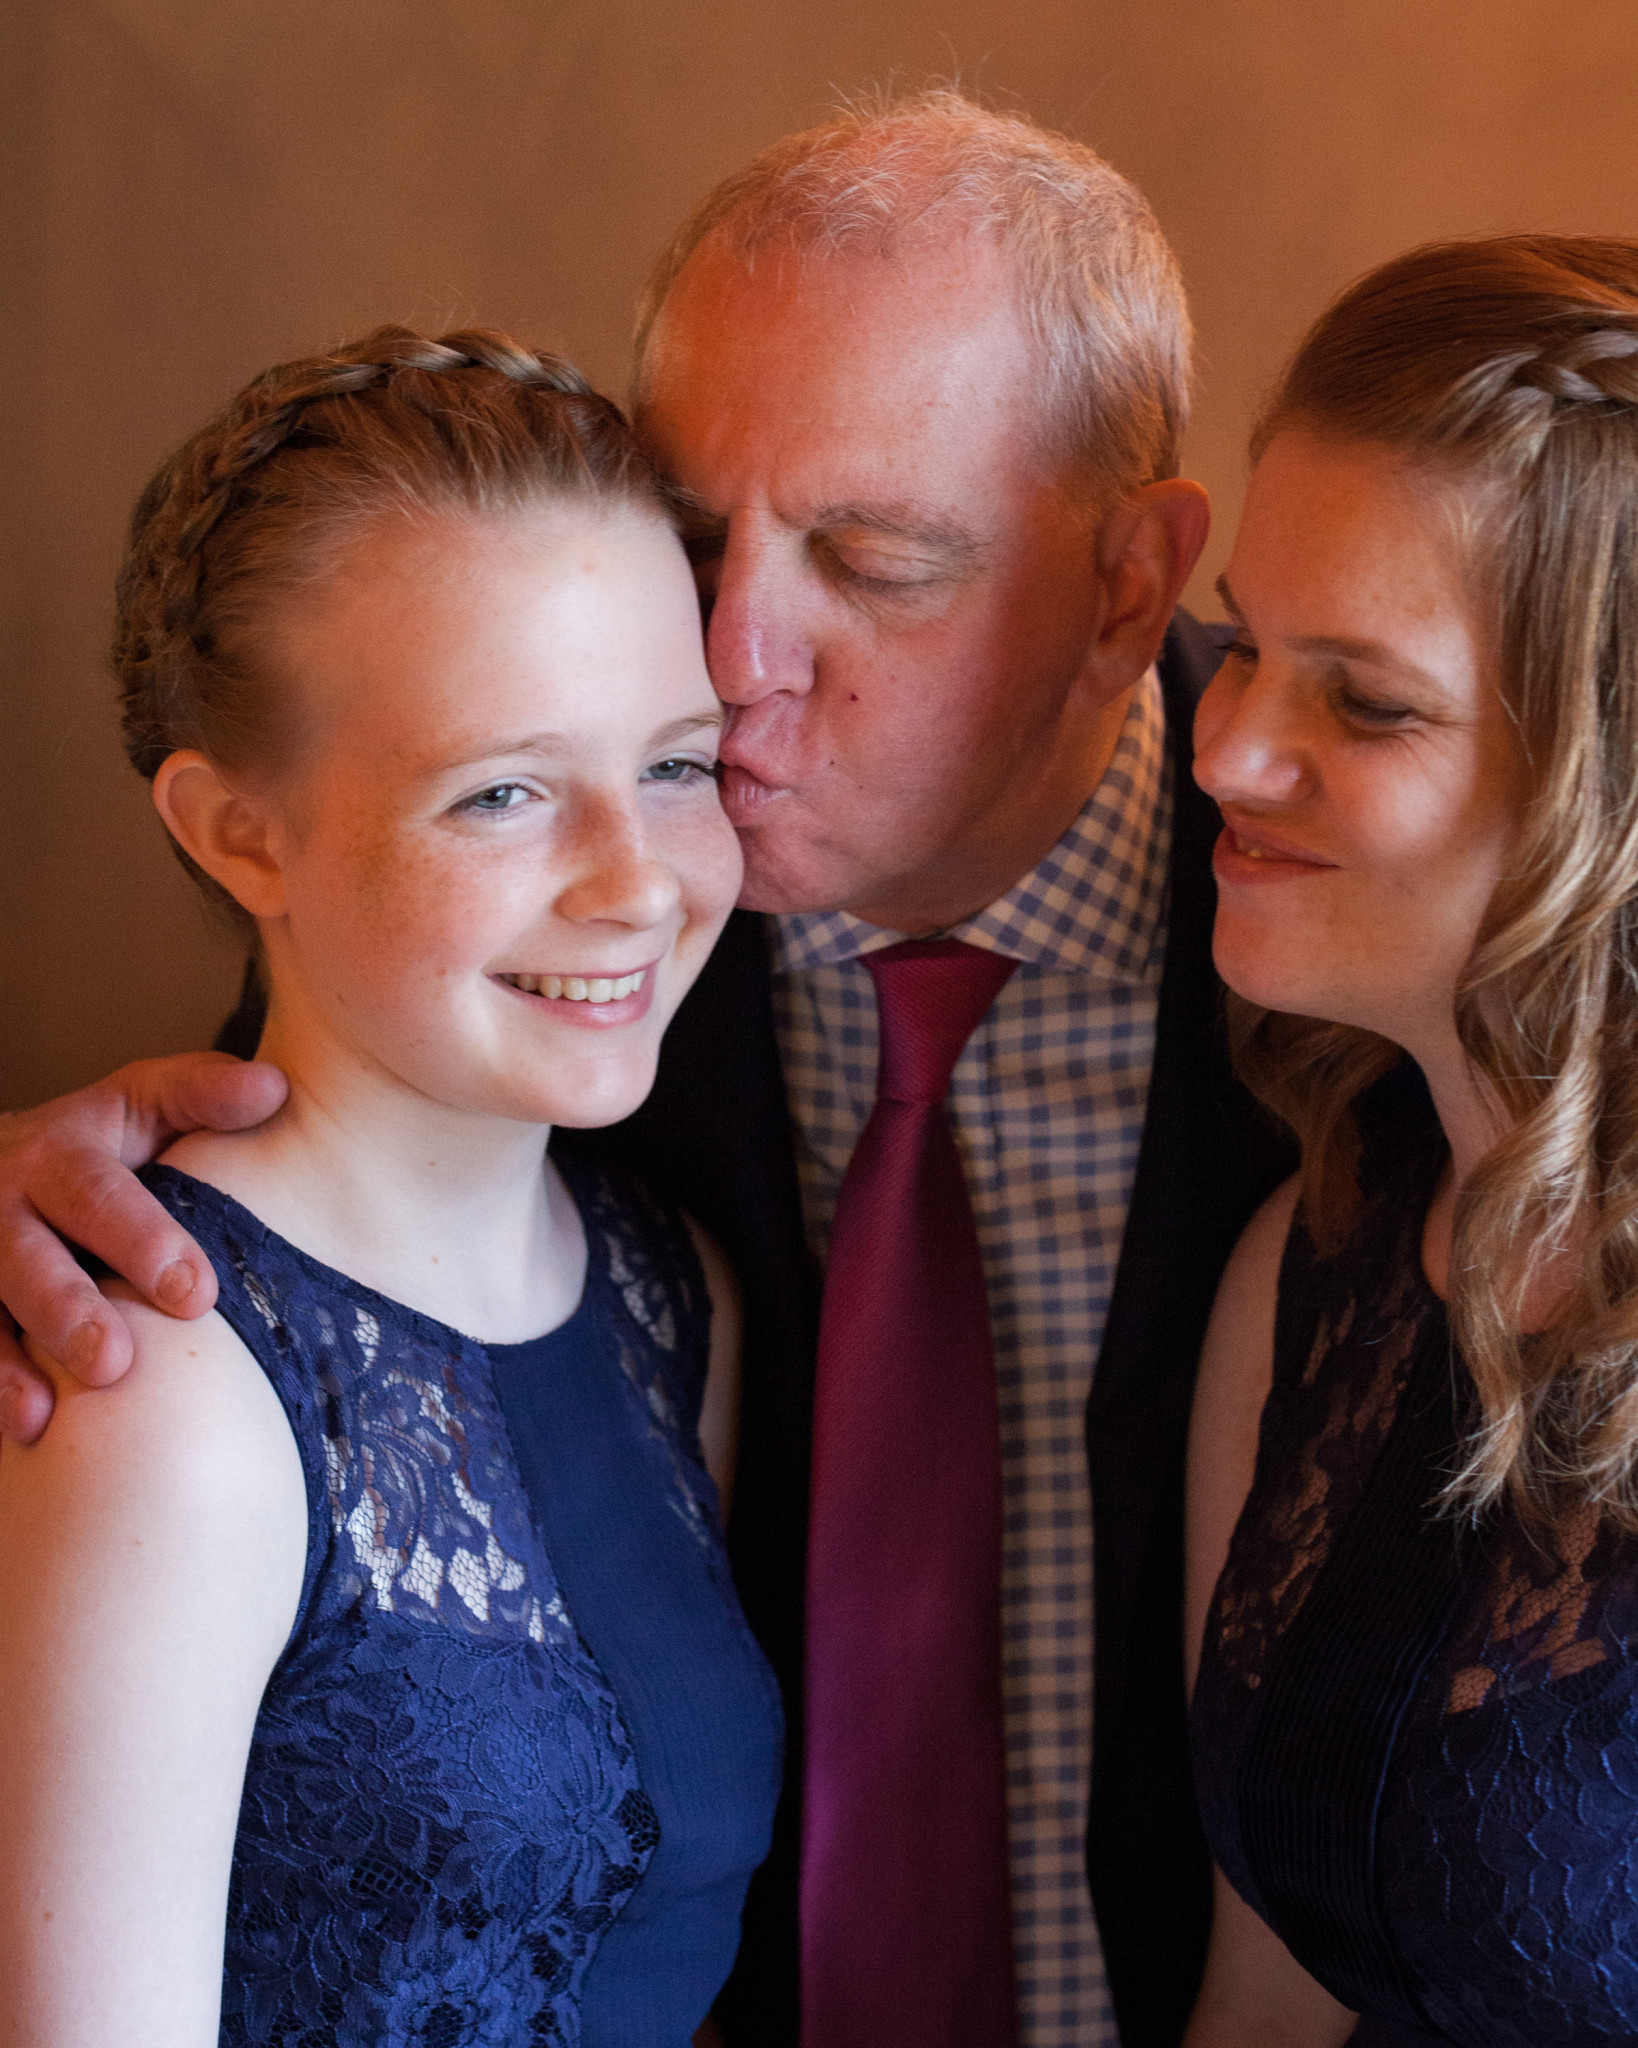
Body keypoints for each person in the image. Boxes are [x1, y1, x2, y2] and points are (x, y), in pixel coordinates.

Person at [0, 96, 1289, 2048]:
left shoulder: (1348, 930)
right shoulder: (563, 931)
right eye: (693, 538)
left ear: (1127, 585)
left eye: (875, 557)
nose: (735, 654)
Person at [0, 325, 783, 2046]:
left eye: (674, 764)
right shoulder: (162, 1396)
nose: (635, 884)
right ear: (238, 832)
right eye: (501, 793)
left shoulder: (668, 1290)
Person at [1184, 235, 1638, 2048]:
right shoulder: (1317, 1257)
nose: (1225, 749)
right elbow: (1261, 2004)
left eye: (1363, 701)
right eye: (1242, 644)